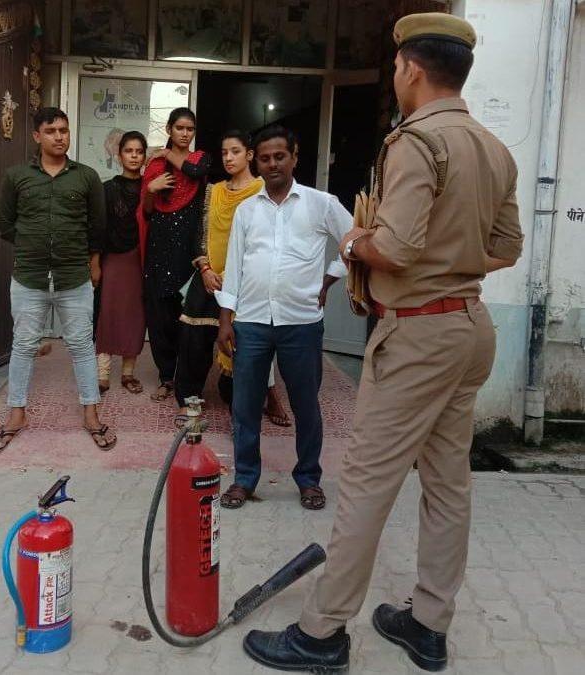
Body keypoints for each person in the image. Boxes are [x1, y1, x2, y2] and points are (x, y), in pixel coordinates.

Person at [242, 14, 523, 673]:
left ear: (412, 70)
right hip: (469, 328)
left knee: (367, 482)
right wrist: (452, 259)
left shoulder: (417, 143)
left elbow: (393, 247)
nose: (395, 76)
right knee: (449, 482)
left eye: (397, 67)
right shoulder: (493, 147)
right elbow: (505, 248)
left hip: (418, 334)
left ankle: (322, 633)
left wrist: (351, 243)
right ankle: (428, 623)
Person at [215, 126, 351, 511]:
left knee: (306, 404)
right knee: (245, 405)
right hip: (252, 322)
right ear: (256, 162)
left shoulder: (321, 203)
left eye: (279, 156)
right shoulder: (247, 209)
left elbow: (355, 242)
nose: (272, 163)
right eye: (265, 158)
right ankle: (245, 479)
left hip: (302, 322)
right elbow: (236, 267)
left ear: (294, 157)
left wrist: (330, 278)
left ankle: (308, 479)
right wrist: (226, 318)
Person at [0, 107, 116, 452]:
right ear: (37, 136)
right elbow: (6, 224)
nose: (59, 136)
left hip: (74, 275)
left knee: (81, 346)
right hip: (29, 275)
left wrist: (93, 262)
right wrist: (35, 244)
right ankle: (17, 414)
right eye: (51, 131)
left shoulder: (86, 177)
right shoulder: (17, 176)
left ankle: (91, 413)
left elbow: (98, 227)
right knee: (24, 345)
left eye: (64, 129)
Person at [175, 130, 290, 427]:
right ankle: (189, 400)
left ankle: (247, 399)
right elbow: (198, 232)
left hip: (247, 280)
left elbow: (269, 239)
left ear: (250, 155)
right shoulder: (213, 191)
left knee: (242, 343)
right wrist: (205, 269)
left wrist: (234, 274)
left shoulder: (264, 191)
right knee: (193, 337)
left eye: (235, 151)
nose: (228, 158)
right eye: (225, 152)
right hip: (209, 276)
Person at [139, 107, 210, 402]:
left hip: (187, 249)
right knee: (160, 315)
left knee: (186, 315)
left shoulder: (199, 158)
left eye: (189, 129)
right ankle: (166, 377)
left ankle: (185, 378)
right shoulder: (153, 166)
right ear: (169, 128)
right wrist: (151, 189)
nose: (184, 133)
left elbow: (194, 172)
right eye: (179, 128)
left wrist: (167, 155)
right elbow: (146, 210)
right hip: (159, 245)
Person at [95, 131, 147, 394]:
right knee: (108, 312)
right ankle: (102, 373)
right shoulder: (108, 189)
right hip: (113, 259)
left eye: (139, 151)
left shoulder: (151, 188)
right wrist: (94, 263)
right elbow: (99, 228)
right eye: (129, 151)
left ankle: (128, 373)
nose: (134, 156)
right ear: (119, 156)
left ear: (144, 156)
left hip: (140, 260)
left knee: (135, 315)